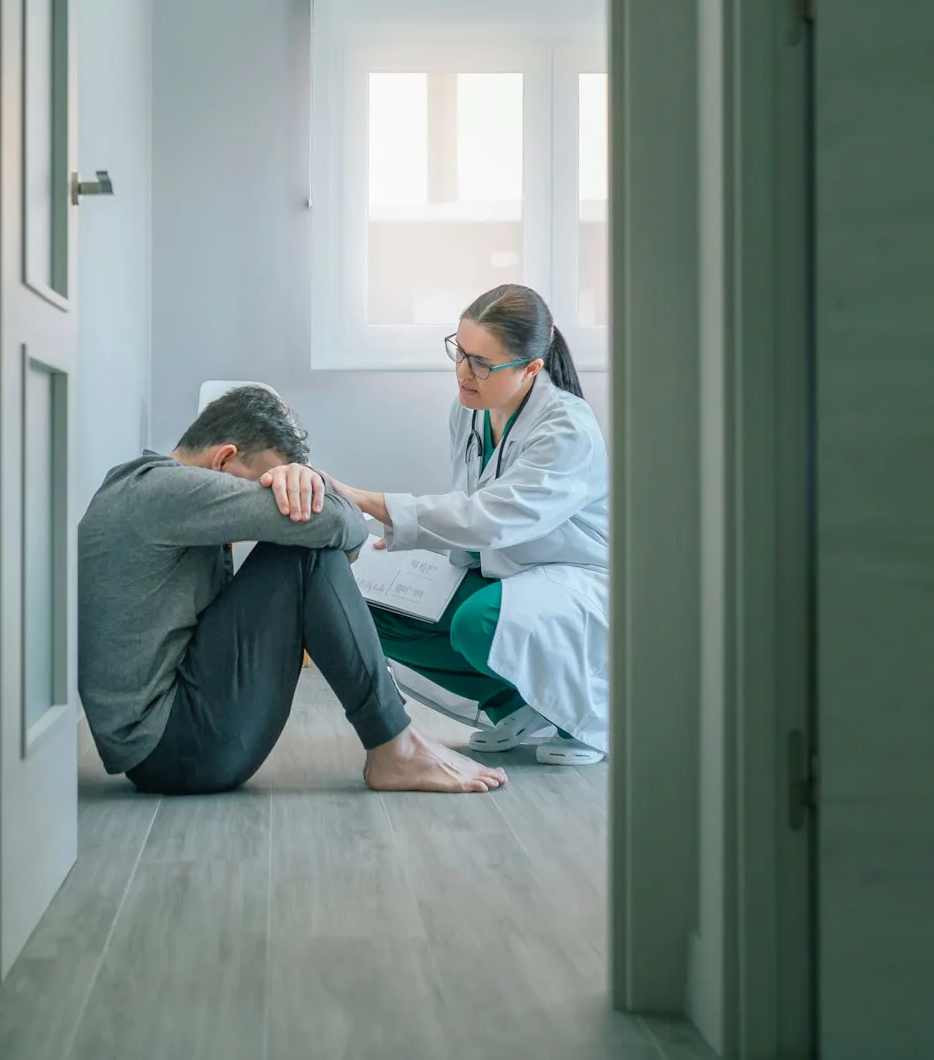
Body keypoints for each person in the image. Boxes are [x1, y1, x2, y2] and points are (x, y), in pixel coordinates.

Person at [77, 385, 509, 796]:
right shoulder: (166, 491)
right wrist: (312, 487)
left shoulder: (141, 487)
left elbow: (348, 529)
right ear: (223, 461)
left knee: (303, 548)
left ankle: (396, 738)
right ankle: (394, 745)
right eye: (265, 484)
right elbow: (343, 524)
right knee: (303, 554)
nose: (273, 496)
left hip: (172, 742)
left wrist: (304, 482)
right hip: (177, 750)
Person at [325, 284, 610, 766]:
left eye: (482, 363)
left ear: (531, 368)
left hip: (573, 581)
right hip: (503, 571)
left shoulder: (566, 429)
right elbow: (469, 508)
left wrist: (372, 503)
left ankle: (579, 718)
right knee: (359, 602)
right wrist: (403, 554)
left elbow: (494, 518)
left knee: (480, 622)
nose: (463, 373)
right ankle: (518, 706)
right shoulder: (470, 410)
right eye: (460, 352)